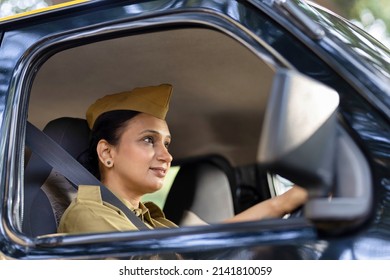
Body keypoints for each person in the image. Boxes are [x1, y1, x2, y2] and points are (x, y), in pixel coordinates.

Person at [57, 84, 308, 234]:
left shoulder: (147, 216)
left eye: (166, 143)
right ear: (107, 153)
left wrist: (284, 203)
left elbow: (199, 245)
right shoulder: (89, 215)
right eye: (148, 140)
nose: (166, 156)